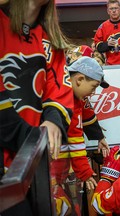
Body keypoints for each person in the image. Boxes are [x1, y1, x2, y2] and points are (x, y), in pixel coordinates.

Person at [0, 0, 74, 215]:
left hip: (27, 171)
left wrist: (52, 121)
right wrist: (31, 138)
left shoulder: (49, 39)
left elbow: (58, 92)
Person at [50, 56, 110, 216]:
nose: (93, 92)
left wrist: (99, 137)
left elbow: (88, 114)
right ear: (79, 79)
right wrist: (85, 172)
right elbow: (75, 140)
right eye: (94, 86)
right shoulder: (68, 99)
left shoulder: (69, 93)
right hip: (49, 162)